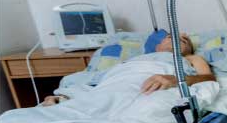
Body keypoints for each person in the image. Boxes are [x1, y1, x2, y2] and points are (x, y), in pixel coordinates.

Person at [41, 32, 214, 105]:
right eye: (170, 37)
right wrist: (66, 95)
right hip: (118, 83)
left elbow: (208, 79)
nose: (178, 39)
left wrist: (176, 80)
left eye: (184, 40)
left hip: (156, 86)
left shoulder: (191, 59)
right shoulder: (134, 60)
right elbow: (99, 82)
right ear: (158, 46)